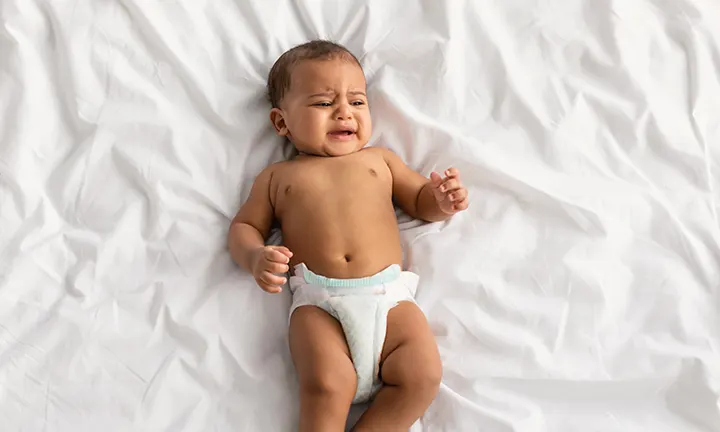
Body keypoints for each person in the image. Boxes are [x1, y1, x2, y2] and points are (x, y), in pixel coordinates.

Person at [228, 40, 469, 431]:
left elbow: (419, 200)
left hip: (390, 298)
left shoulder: (380, 161)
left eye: (357, 102)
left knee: (422, 375)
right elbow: (244, 227)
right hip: (320, 304)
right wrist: (255, 255)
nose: (344, 112)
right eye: (324, 103)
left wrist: (440, 199)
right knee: (326, 385)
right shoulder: (278, 178)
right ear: (281, 123)